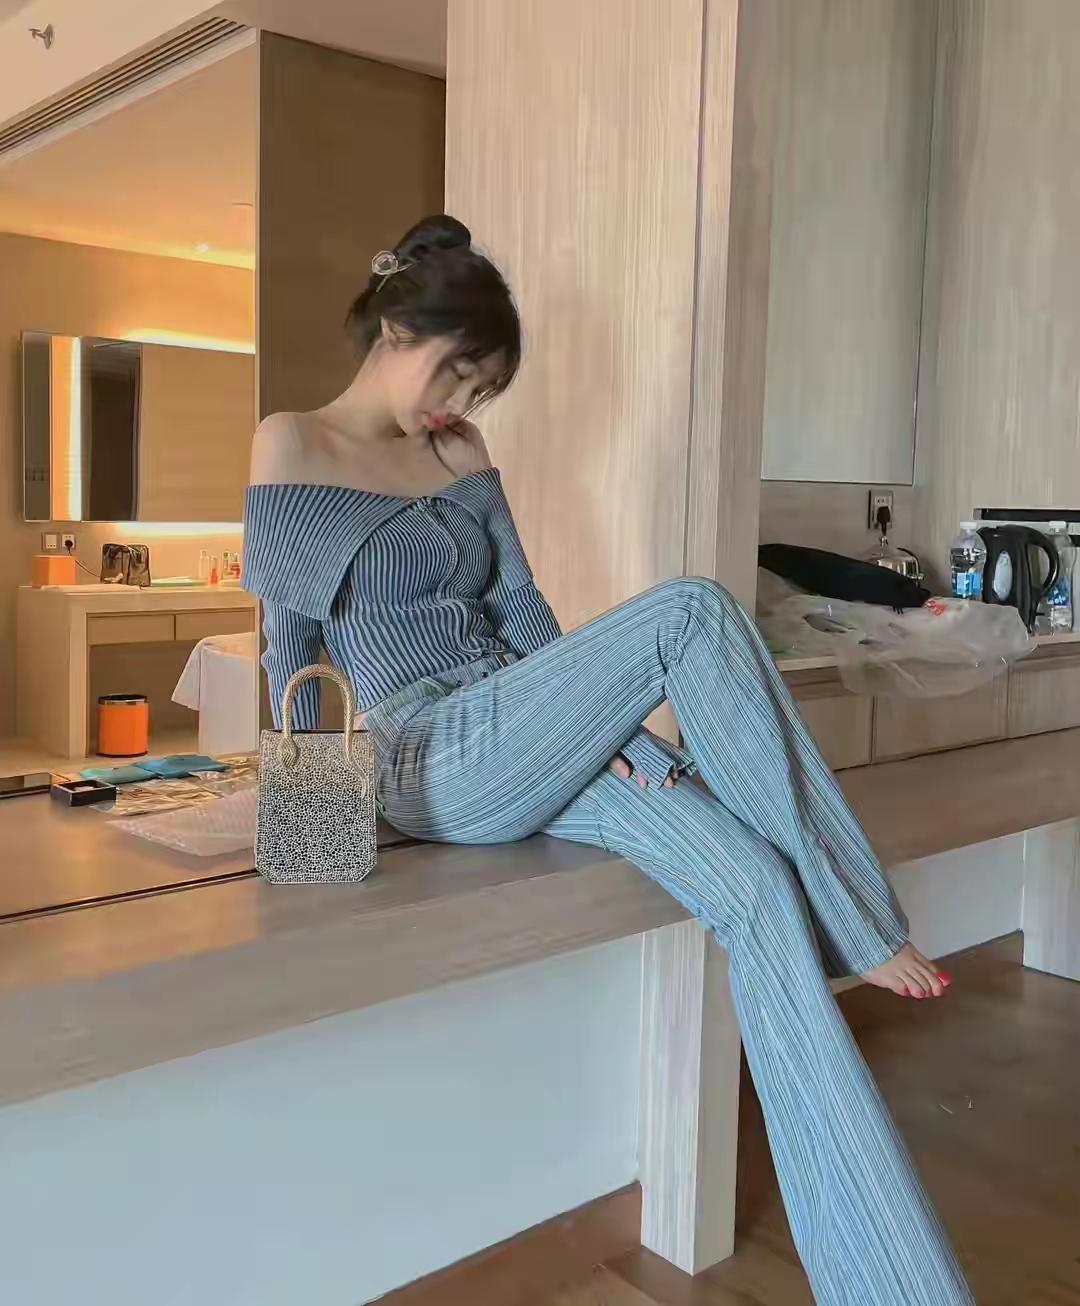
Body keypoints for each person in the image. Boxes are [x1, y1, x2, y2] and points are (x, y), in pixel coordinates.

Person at [244, 215, 973, 1306]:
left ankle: (893, 1285)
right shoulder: (292, 443)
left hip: (524, 722)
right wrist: (311, 833)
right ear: (397, 331)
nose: (462, 405)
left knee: (755, 889)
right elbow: (289, 646)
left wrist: (607, 728)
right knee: (693, 611)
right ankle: (861, 919)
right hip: (424, 749)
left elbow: (526, 618)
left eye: (483, 389)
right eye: (458, 374)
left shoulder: (462, 456)